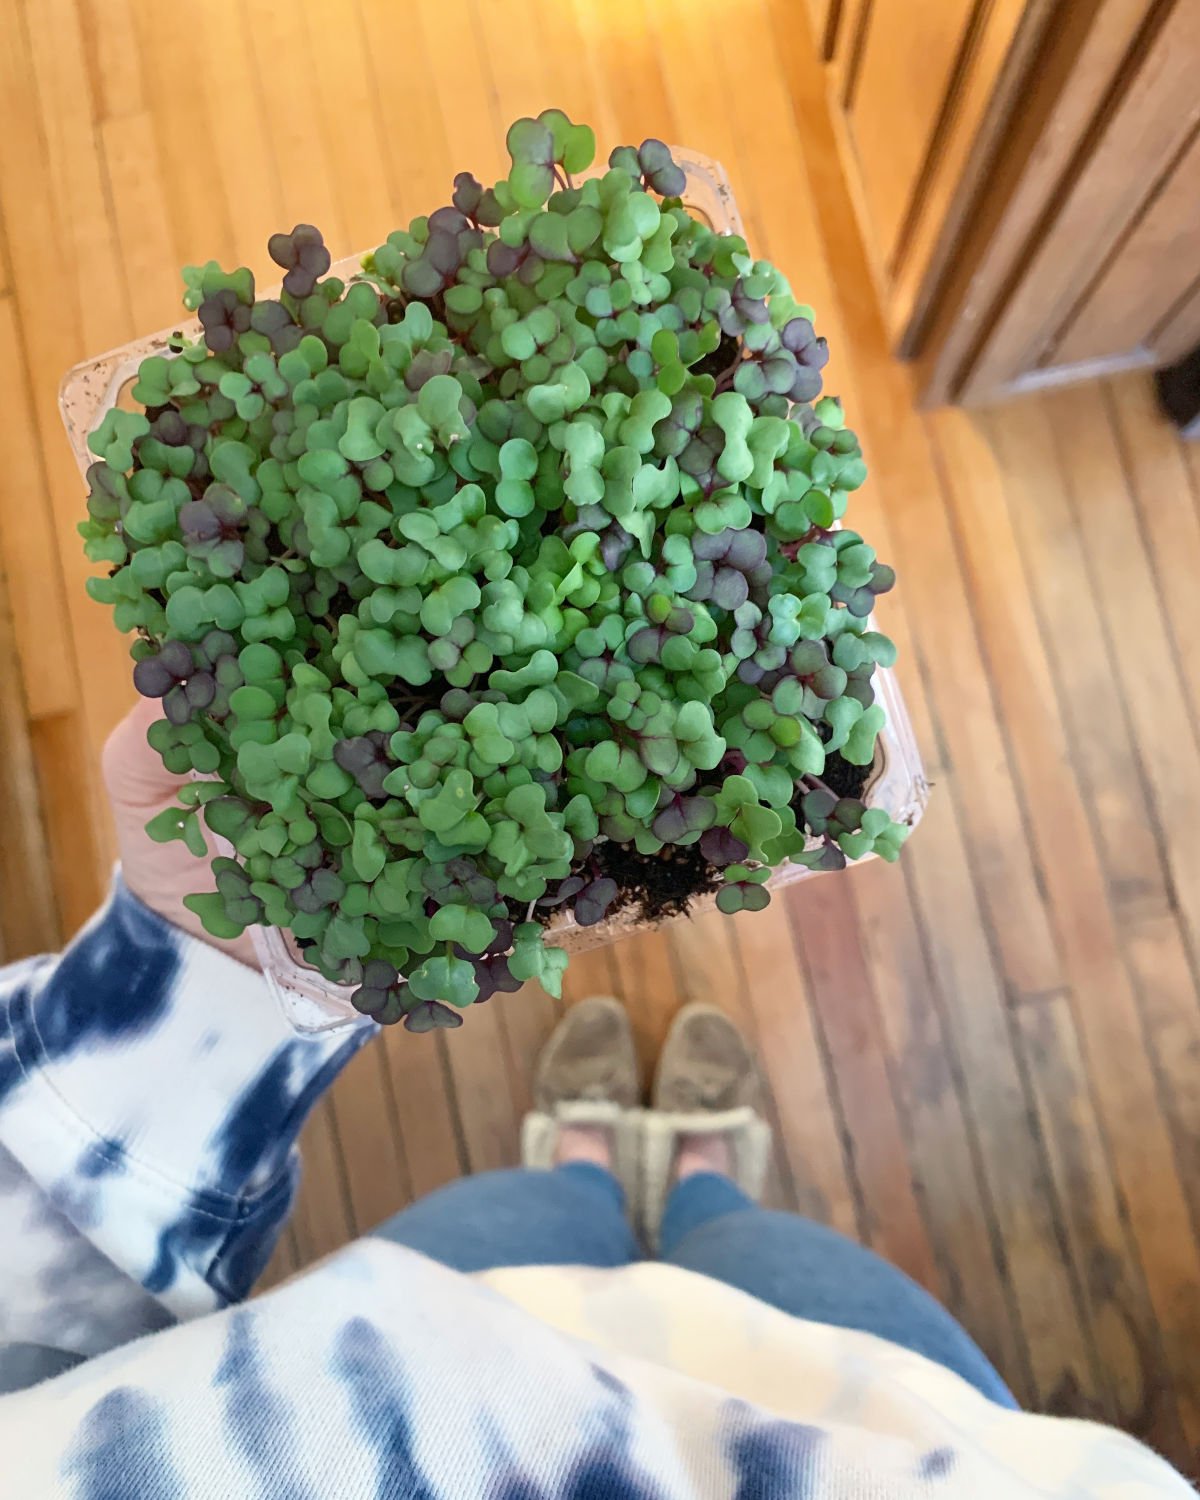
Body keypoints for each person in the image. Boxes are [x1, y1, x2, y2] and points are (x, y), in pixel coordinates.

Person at [0, 701, 1188, 1498]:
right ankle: (706, 1190)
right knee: (764, 1253)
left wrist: (197, 968)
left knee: (530, 1215)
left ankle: (580, 1167)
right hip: (893, 1442)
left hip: (393, 1346)